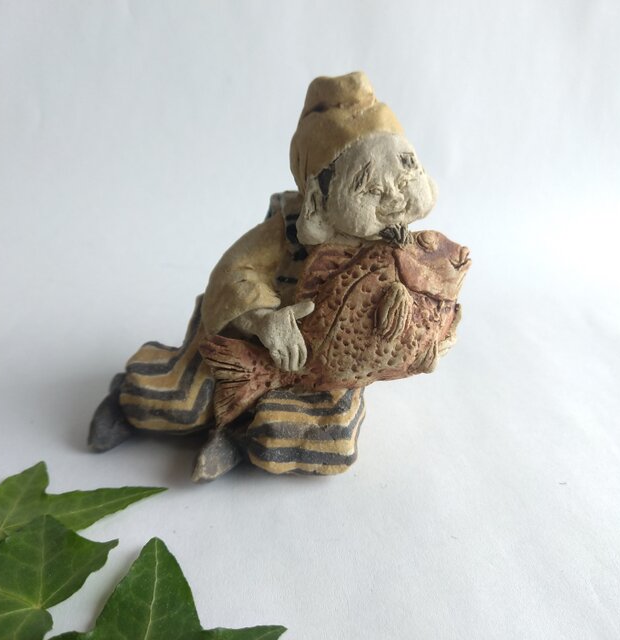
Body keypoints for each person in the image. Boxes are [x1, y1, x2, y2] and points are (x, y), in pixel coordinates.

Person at [88, 71, 438, 480]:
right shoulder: (285, 229)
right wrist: (262, 319)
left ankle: (241, 435)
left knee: (332, 435)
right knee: (187, 398)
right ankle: (131, 398)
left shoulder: (402, 247)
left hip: (326, 364)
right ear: (318, 199)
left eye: (407, 170)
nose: (396, 198)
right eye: (372, 190)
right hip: (249, 338)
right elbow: (234, 270)